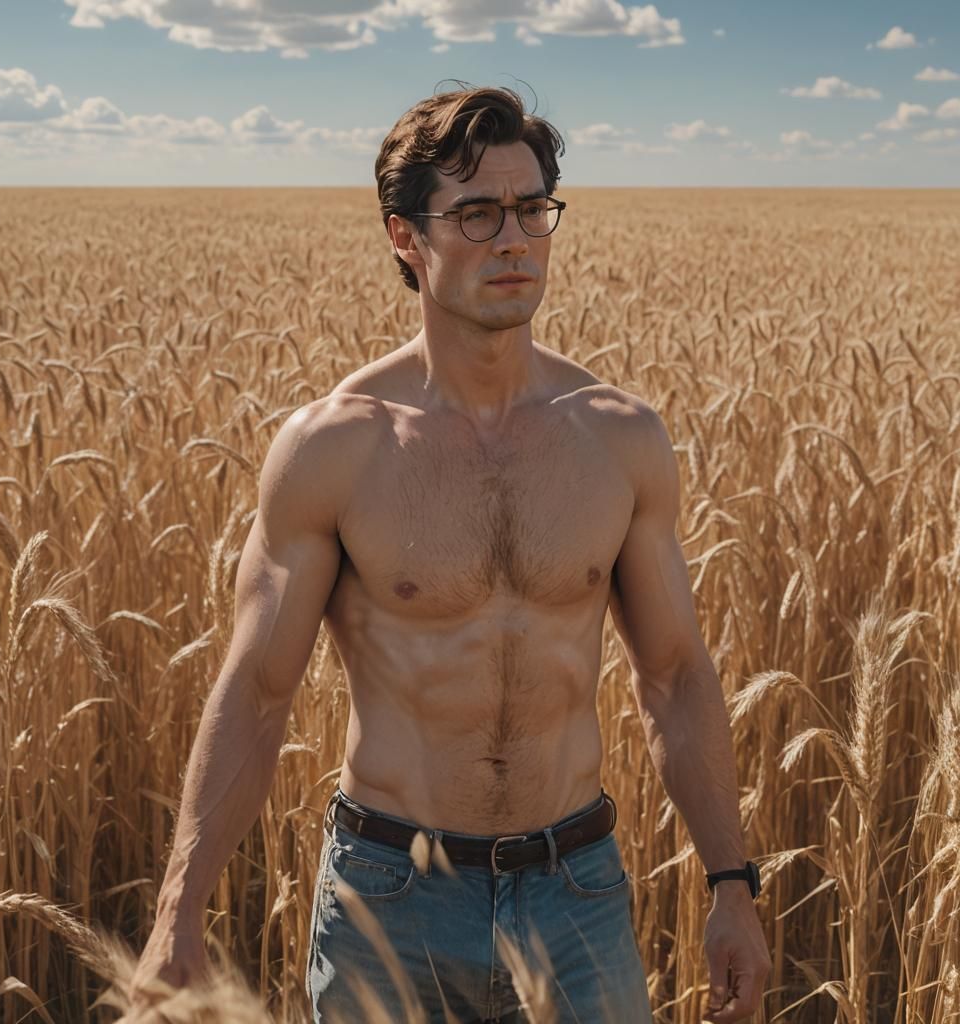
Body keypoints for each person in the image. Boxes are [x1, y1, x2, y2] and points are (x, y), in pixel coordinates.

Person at [128, 85, 772, 1023]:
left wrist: (731, 883)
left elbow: (674, 677)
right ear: (405, 236)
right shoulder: (336, 449)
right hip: (393, 894)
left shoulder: (618, 438)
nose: (513, 239)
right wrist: (178, 914)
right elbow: (258, 694)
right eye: (475, 213)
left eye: (531, 209)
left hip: (575, 889)